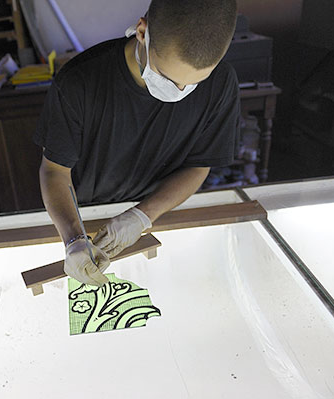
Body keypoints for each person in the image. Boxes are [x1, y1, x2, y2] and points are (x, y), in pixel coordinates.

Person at [34, 0, 239, 286]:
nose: (179, 91)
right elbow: (55, 171)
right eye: (168, 78)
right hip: (81, 216)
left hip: (160, 211)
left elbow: (199, 166)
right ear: (142, 32)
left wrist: (142, 216)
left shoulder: (221, 82)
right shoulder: (79, 82)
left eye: (194, 83)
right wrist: (74, 238)